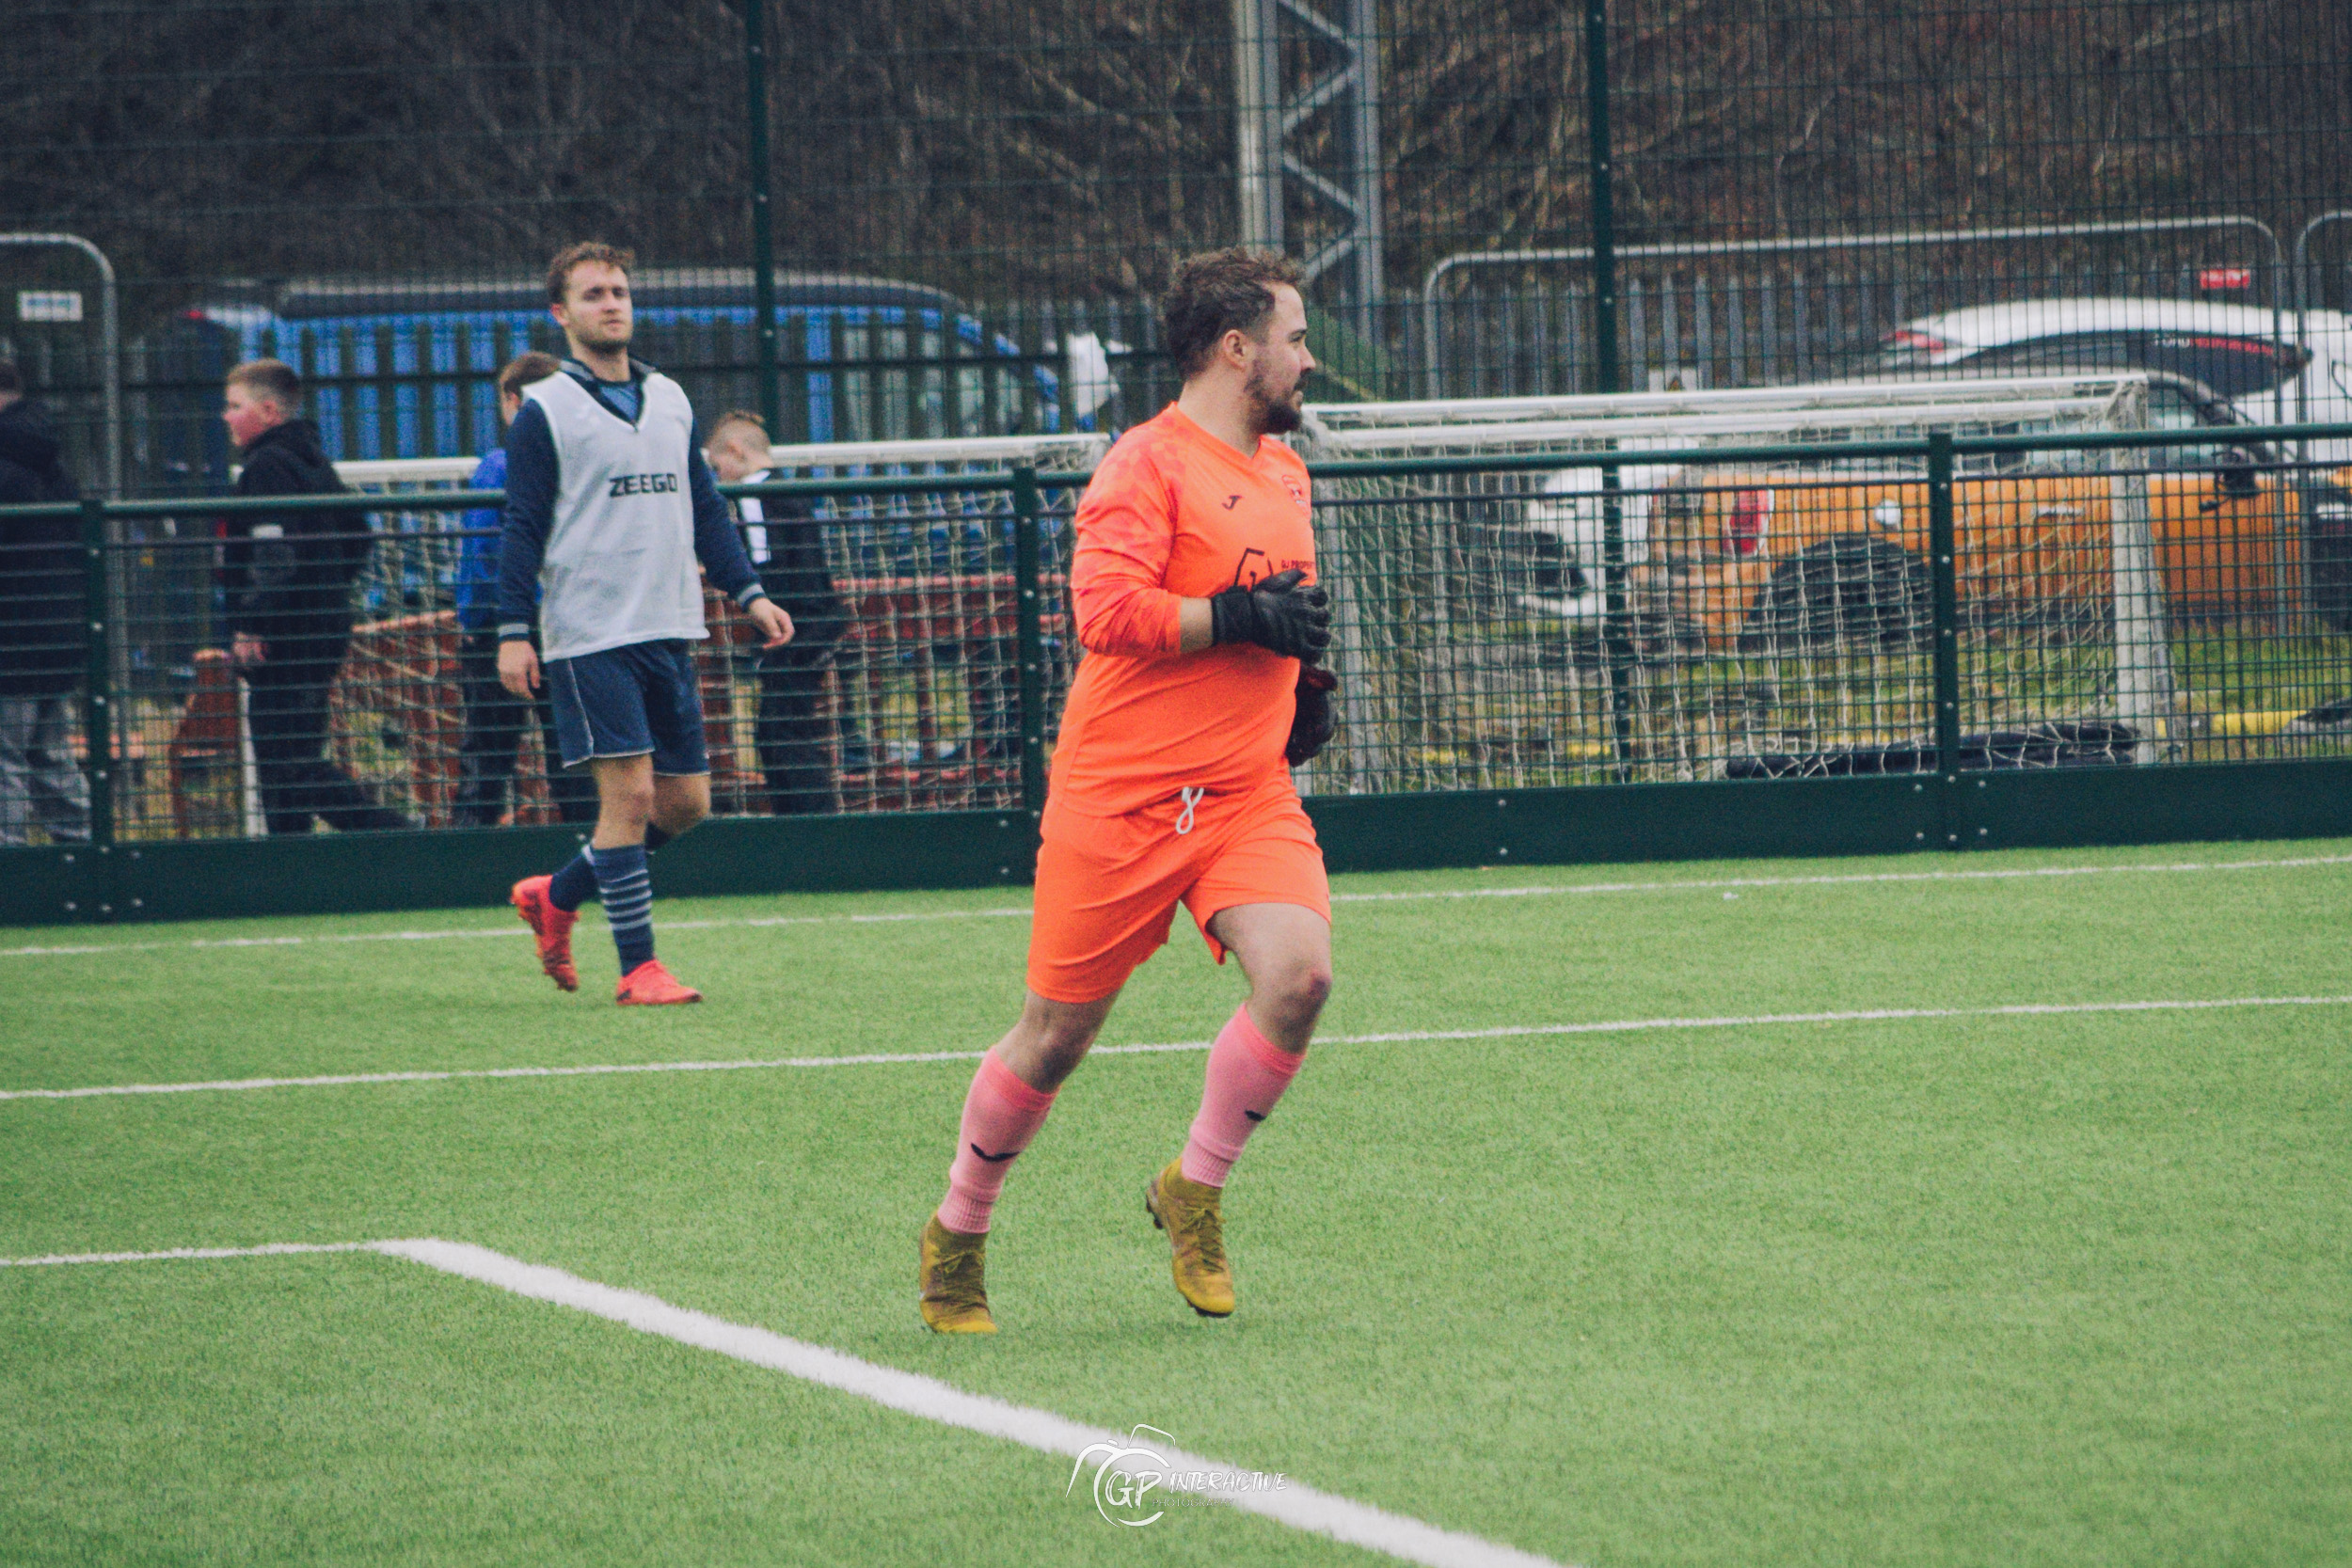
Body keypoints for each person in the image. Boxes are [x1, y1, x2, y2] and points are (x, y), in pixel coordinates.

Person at [917, 248, 1341, 1333]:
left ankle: (1193, 1187)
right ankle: (958, 1231)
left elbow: (1273, 609)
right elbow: (1106, 612)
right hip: (1120, 801)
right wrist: (1240, 620)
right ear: (1235, 347)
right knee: (1053, 1037)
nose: (1309, 358)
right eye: (1294, 337)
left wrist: (1300, 688)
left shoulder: (1287, 470)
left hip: (1244, 794)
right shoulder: (1142, 465)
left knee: (1298, 979)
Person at [500, 243, 793, 1005]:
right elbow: (521, 527)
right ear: (561, 314)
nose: (612, 303)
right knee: (627, 798)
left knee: (687, 803)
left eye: (621, 290)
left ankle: (556, 893)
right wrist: (511, 628)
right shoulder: (545, 413)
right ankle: (639, 969)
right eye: (593, 293)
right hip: (589, 634)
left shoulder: (669, 397)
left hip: (669, 626)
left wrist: (749, 591)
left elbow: (704, 507)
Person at [217, 359, 412, 835]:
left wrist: (252, 624)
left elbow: (275, 557)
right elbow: (358, 537)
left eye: (233, 406)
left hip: (287, 640)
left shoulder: (265, 466)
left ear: (266, 411)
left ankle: (397, 835)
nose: (225, 416)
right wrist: (326, 594)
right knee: (291, 757)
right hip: (322, 629)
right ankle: (295, 863)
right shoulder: (314, 461)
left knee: (287, 762)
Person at [451, 351, 595, 828]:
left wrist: (474, 623)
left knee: (487, 755)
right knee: (574, 754)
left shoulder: (499, 464)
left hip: (504, 626)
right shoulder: (583, 462)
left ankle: (466, 866)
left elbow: (482, 553)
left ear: (511, 401)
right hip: (570, 623)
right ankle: (592, 854)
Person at [703, 409, 848, 814]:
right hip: (818, 621)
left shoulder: (752, 493)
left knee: (781, 729)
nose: (718, 475)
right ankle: (804, 818)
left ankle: (811, 822)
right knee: (781, 726)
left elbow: (766, 564)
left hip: (796, 625)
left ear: (734, 451)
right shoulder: (788, 491)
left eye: (718, 466)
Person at [0, 361, 91, 846]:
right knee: (51, 760)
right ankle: (88, 867)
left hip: (10, 635)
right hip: (58, 631)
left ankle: (9, 881)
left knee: (5, 764)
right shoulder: (49, 459)